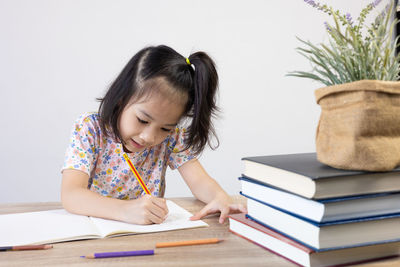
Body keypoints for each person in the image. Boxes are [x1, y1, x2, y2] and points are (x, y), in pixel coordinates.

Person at [61, 45, 246, 225]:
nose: (149, 137)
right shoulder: (91, 128)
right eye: (142, 120)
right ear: (120, 98)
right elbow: (71, 194)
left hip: (149, 237)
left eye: (165, 128)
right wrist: (125, 210)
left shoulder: (173, 137)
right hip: (95, 232)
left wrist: (220, 198)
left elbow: (199, 181)